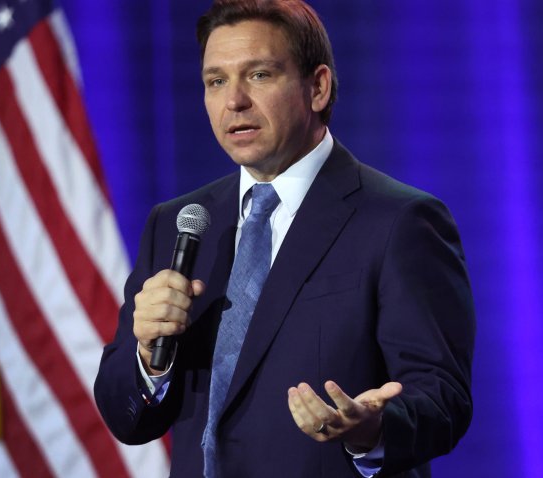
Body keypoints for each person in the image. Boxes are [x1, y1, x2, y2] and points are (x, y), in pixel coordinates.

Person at [93, 1, 475, 476]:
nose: (234, 101)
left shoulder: (400, 221)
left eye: (258, 75)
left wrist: (370, 430)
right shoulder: (177, 223)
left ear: (317, 87)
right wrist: (150, 360)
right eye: (216, 81)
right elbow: (126, 419)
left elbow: (443, 397)